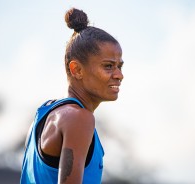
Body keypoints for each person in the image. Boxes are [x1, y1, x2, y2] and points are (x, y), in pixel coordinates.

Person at [20, 7, 124, 184]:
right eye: (108, 66)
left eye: (119, 66)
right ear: (76, 69)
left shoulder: (43, 114)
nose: (119, 75)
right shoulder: (79, 119)